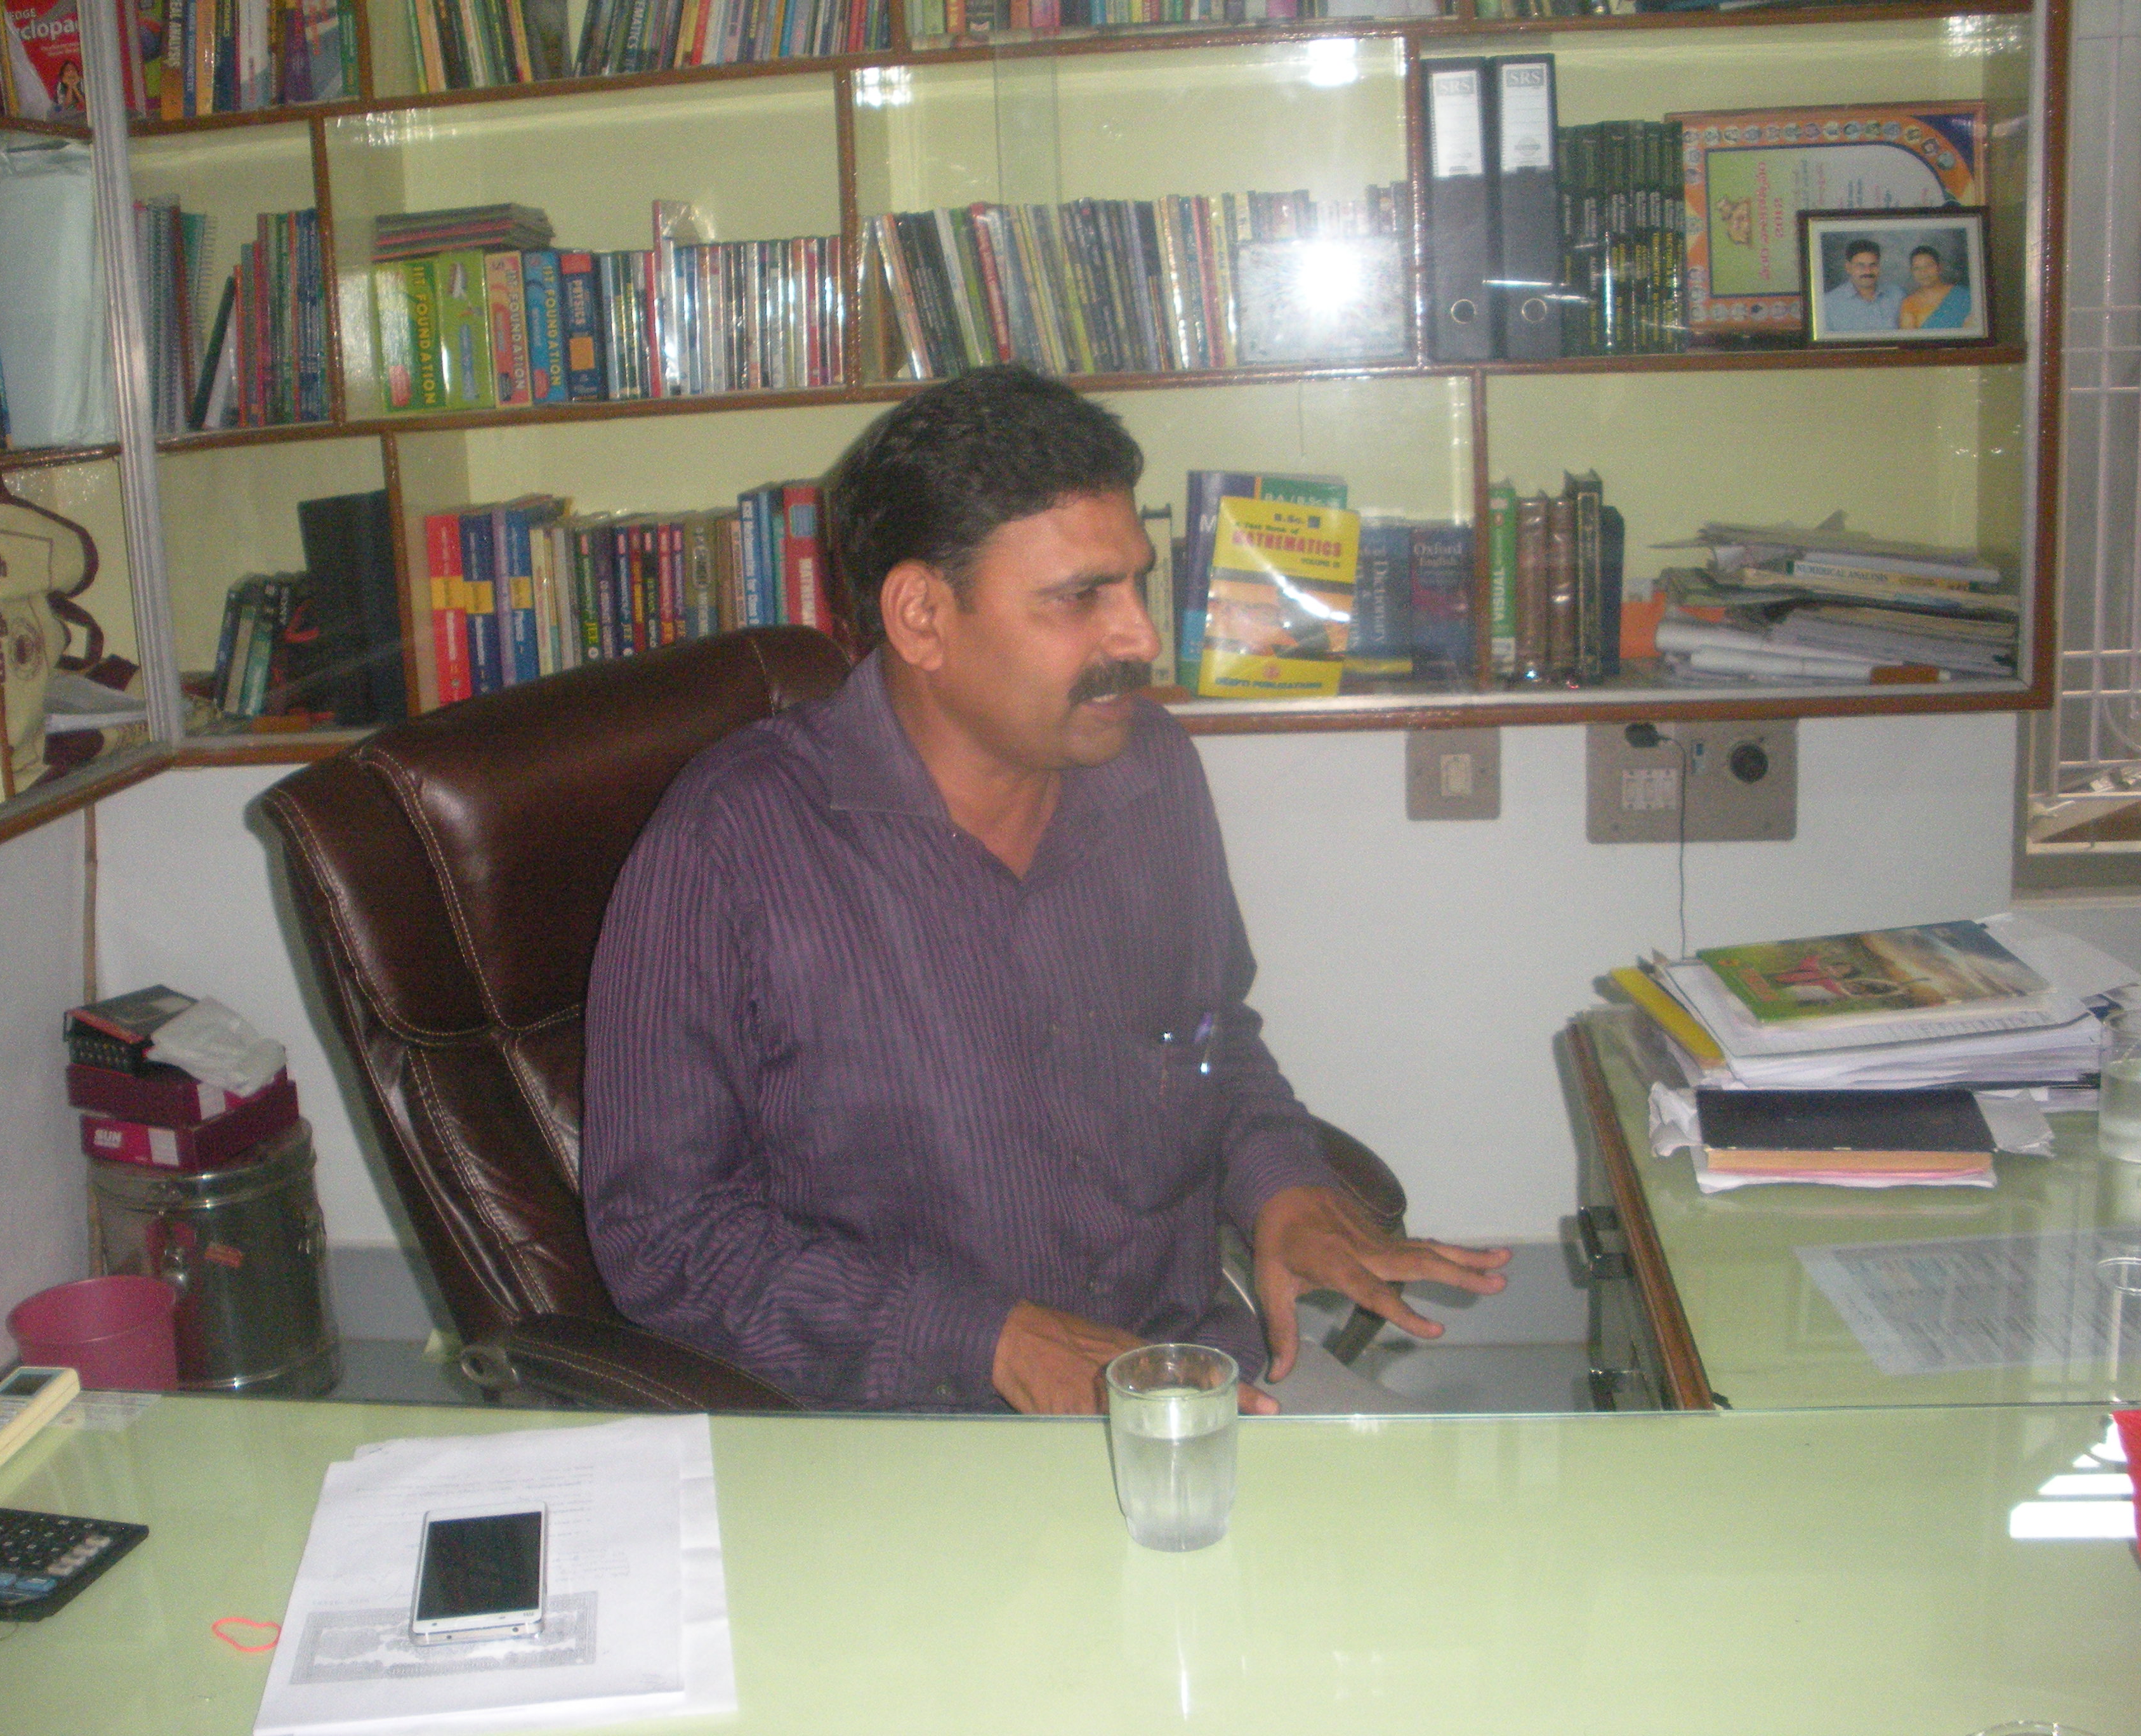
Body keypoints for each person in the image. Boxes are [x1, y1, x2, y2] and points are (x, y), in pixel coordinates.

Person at [581, 365, 1508, 1416]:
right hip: (908, 1435)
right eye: (1080, 598)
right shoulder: (729, 844)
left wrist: (1280, 1182)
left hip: (1188, 1375)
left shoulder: (1149, 771)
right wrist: (986, 1340)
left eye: (1136, 583)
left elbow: (1209, 1038)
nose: (1139, 638)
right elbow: (663, 1240)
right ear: (922, 617)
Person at [1820, 239, 1902, 334]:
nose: (1868, 271)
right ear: (1848, 268)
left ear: (1879, 266)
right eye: (1861, 266)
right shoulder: (1828, 304)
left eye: (1873, 265)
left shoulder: (1898, 296)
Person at [1897, 244, 1972, 331]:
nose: (1923, 272)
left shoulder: (1963, 296)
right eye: (1917, 268)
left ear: (1939, 268)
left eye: (1929, 266)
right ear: (1912, 272)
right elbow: (1910, 337)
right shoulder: (1909, 303)